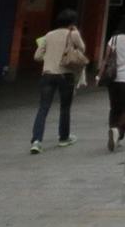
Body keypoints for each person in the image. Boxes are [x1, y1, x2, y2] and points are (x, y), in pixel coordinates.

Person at [29, 9, 87, 154]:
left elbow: (37, 56)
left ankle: (36, 141)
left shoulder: (48, 35)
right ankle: (63, 138)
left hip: (47, 74)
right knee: (64, 108)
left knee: (43, 108)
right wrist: (76, 33)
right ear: (73, 22)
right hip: (65, 75)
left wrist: (50, 58)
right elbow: (82, 48)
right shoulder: (73, 33)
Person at [102, 12, 125, 151]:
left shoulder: (115, 39)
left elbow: (106, 59)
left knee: (115, 107)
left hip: (114, 79)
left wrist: (100, 75)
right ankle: (118, 131)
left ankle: (113, 129)